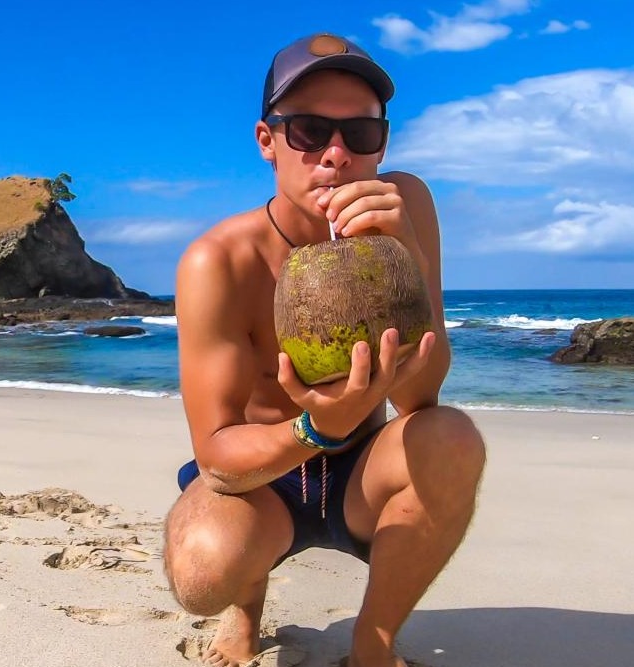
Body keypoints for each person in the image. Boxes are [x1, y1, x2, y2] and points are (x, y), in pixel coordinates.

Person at [163, 33, 486, 667]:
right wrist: (315, 425)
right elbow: (220, 456)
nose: (336, 155)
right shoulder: (220, 261)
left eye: (359, 134)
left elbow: (422, 396)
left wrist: (410, 263)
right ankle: (246, 607)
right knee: (204, 571)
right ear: (267, 141)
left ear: (382, 143)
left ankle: (375, 640)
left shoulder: (407, 205)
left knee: (451, 438)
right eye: (309, 131)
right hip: (264, 477)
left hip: (361, 472)